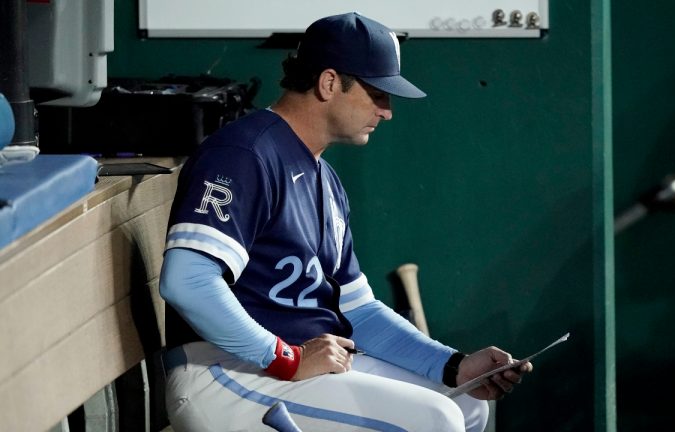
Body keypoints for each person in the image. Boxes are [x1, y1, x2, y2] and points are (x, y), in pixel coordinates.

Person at [159, 12, 532, 432]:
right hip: (224, 369)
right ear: (330, 82)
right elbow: (186, 280)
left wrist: (453, 366)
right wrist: (285, 357)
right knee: (436, 419)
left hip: (300, 363)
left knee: (466, 405)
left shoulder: (324, 178)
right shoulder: (245, 153)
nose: (387, 111)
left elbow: (358, 312)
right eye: (377, 93)